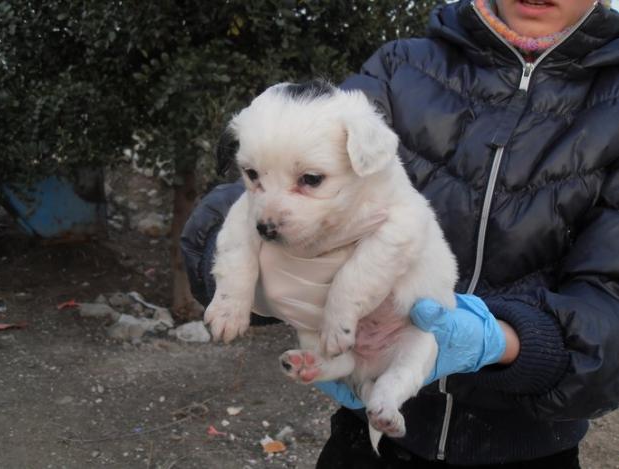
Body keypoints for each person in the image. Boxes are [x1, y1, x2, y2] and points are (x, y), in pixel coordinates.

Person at [180, 0, 619, 467]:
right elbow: (269, 172)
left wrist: (509, 342)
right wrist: (246, 272)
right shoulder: (400, 67)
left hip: (529, 447)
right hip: (366, 447)